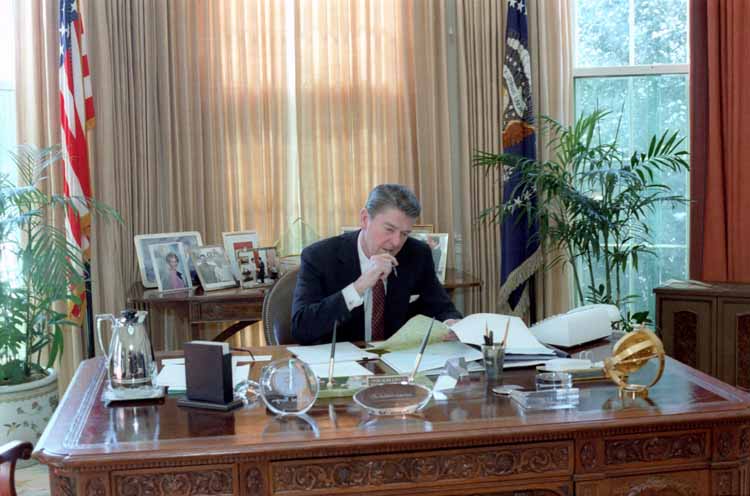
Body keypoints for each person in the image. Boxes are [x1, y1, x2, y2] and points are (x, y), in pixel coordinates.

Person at [292, 184, 462, 345]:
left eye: (404, 234)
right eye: (389, 229)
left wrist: (451, 323)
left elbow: (441, 307)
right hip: (340, 364)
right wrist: (359, 286)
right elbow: (301, 328)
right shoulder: (320, 257)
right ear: (365, 219)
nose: (396, 242)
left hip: (397, 363)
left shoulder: (417, 254)